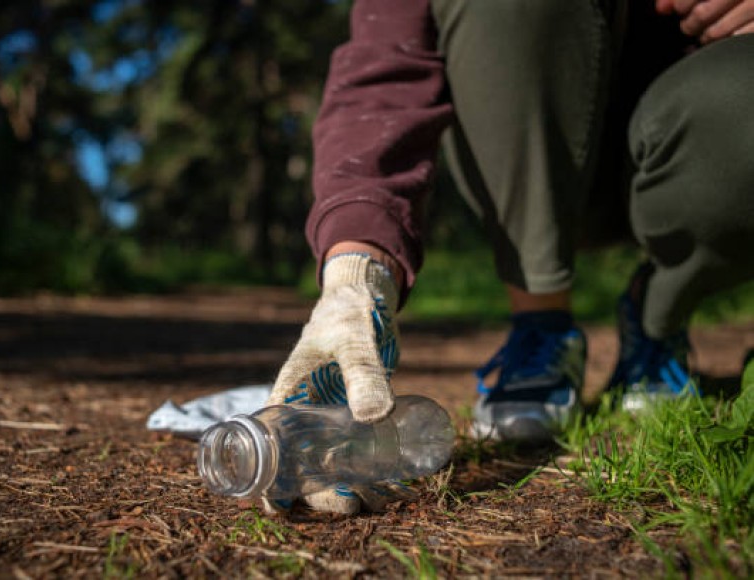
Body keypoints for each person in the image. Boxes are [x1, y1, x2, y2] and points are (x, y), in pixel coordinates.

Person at [265, 0, 754, 514]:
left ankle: (658, 315)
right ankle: (541, 324)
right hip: (530, 148)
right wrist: (356, 272)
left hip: (692, 130)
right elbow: (382, 69)